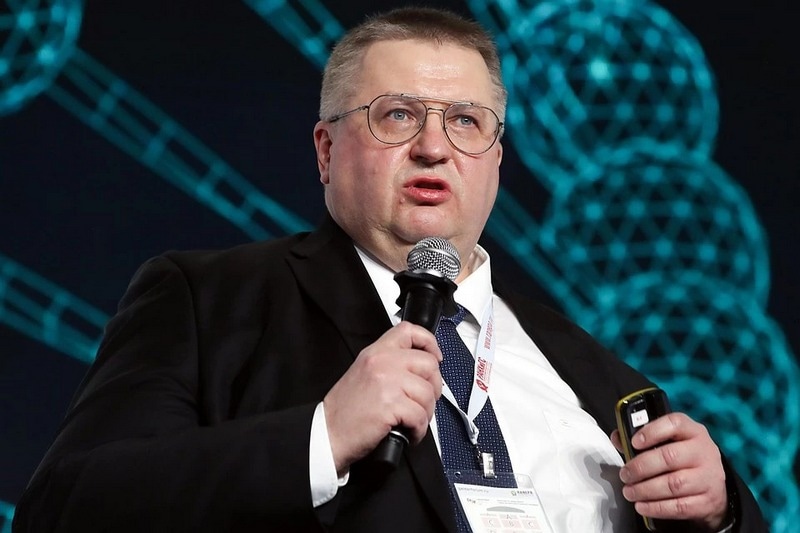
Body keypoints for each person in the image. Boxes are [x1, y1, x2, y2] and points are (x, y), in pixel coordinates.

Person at [13, 6, 766, 533]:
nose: (435, 147)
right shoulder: (208, 300)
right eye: (398, 115)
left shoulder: (593, 367)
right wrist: (321, 438)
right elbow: (65, 510)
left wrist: (720, 511)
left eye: (465, 121)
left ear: (496, 161)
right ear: (326, 150)